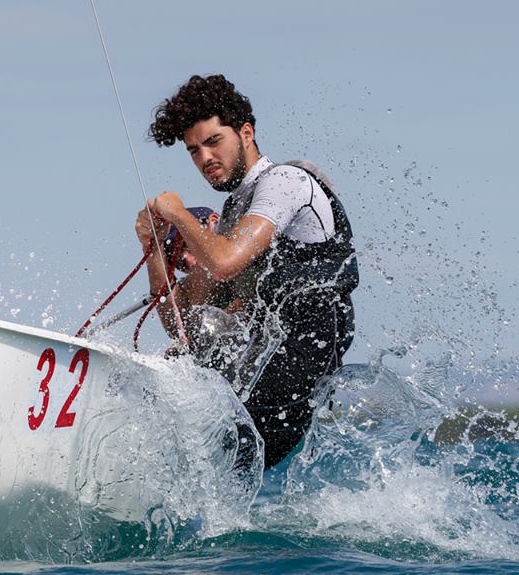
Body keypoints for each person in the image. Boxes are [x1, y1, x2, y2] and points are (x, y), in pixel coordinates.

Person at [135, 74, 359, 469]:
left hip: (302, 364)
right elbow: (180, 320)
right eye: (193, 151)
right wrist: (153, 248)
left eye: (213, 141)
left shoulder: (285, 182)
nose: (205, 158)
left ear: (246, 133)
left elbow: (225, 262)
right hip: (262, 364)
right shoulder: (235, 214)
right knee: (180, 364)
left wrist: (179, 215)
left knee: (203, 454)